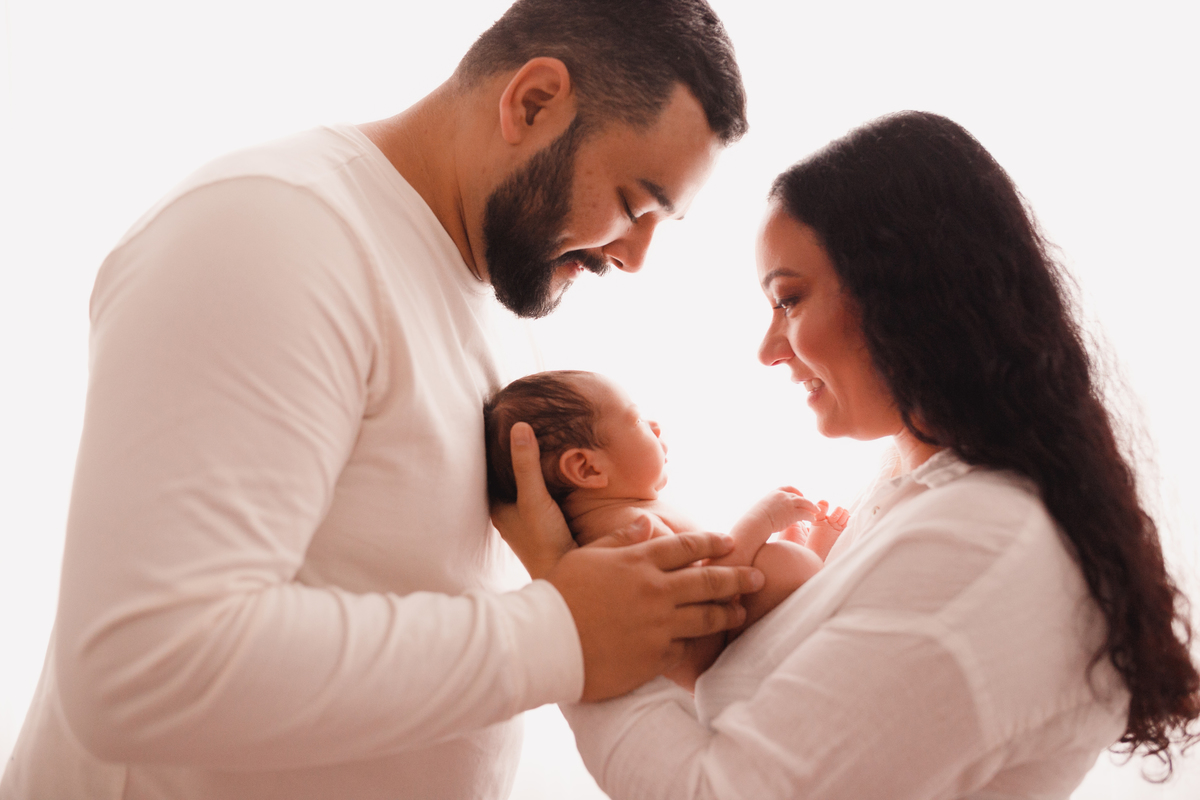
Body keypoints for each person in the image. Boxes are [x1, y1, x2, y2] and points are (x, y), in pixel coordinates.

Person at [0, 2, 767, 798]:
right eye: (635, 203)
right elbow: (144, 665)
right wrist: (562, 633)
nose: (634, 257)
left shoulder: (486, 305)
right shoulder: (271, 229)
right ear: (532, 102)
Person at [496, 111, 1200, 798]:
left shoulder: (985, 543)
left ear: (905, 296)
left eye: (790, 300)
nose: (768, 349)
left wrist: (573, 616)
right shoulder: (916, 494)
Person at [483, 369, 850, 688]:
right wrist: (761, 521)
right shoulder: (626, 530)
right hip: (739, 664)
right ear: (588, 469)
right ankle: (814, 565)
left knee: (782, 560)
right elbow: (707, 600)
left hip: (762, 644)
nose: (655, 426)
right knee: (779, 561)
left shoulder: (628, 517)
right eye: (637, 420)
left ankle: (813, 564)